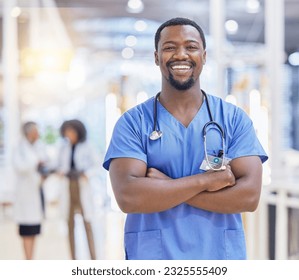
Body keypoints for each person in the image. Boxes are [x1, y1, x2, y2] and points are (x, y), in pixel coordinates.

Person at [103, 17, 268, 260]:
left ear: (204, 55)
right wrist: (205, 181)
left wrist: (165, 186)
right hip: (153, 258)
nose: (181, 54)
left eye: (190, 47)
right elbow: (129, 197)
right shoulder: (133, 123)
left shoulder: (233, 119)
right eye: (169, 47)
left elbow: (249, 196)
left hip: (219, 258)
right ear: (157, 57)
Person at [57, 119, 97, 260]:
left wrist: (86, 173)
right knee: (69, 223)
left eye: (71, 131)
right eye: (67, 131)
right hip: (68, 186)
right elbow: (59, 165)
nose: (69, 134)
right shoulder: (64, 147)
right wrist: (62, 171)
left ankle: (93, 257)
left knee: (87, 223)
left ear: (78, 131)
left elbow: (95, 165)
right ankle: (72, 258)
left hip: (81, 186)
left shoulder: (87, 146)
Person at [13, 121, 49, 260]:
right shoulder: (19, 148)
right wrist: (36, 163)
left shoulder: (38, 147)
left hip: (36, 192)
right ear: (29, 133)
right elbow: (20, 167)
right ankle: (28, 260)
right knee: (26, 231)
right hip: (25, 195)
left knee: (34, 229)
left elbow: (45, 160)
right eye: (36, 131)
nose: (38, 134)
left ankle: (31, 259)